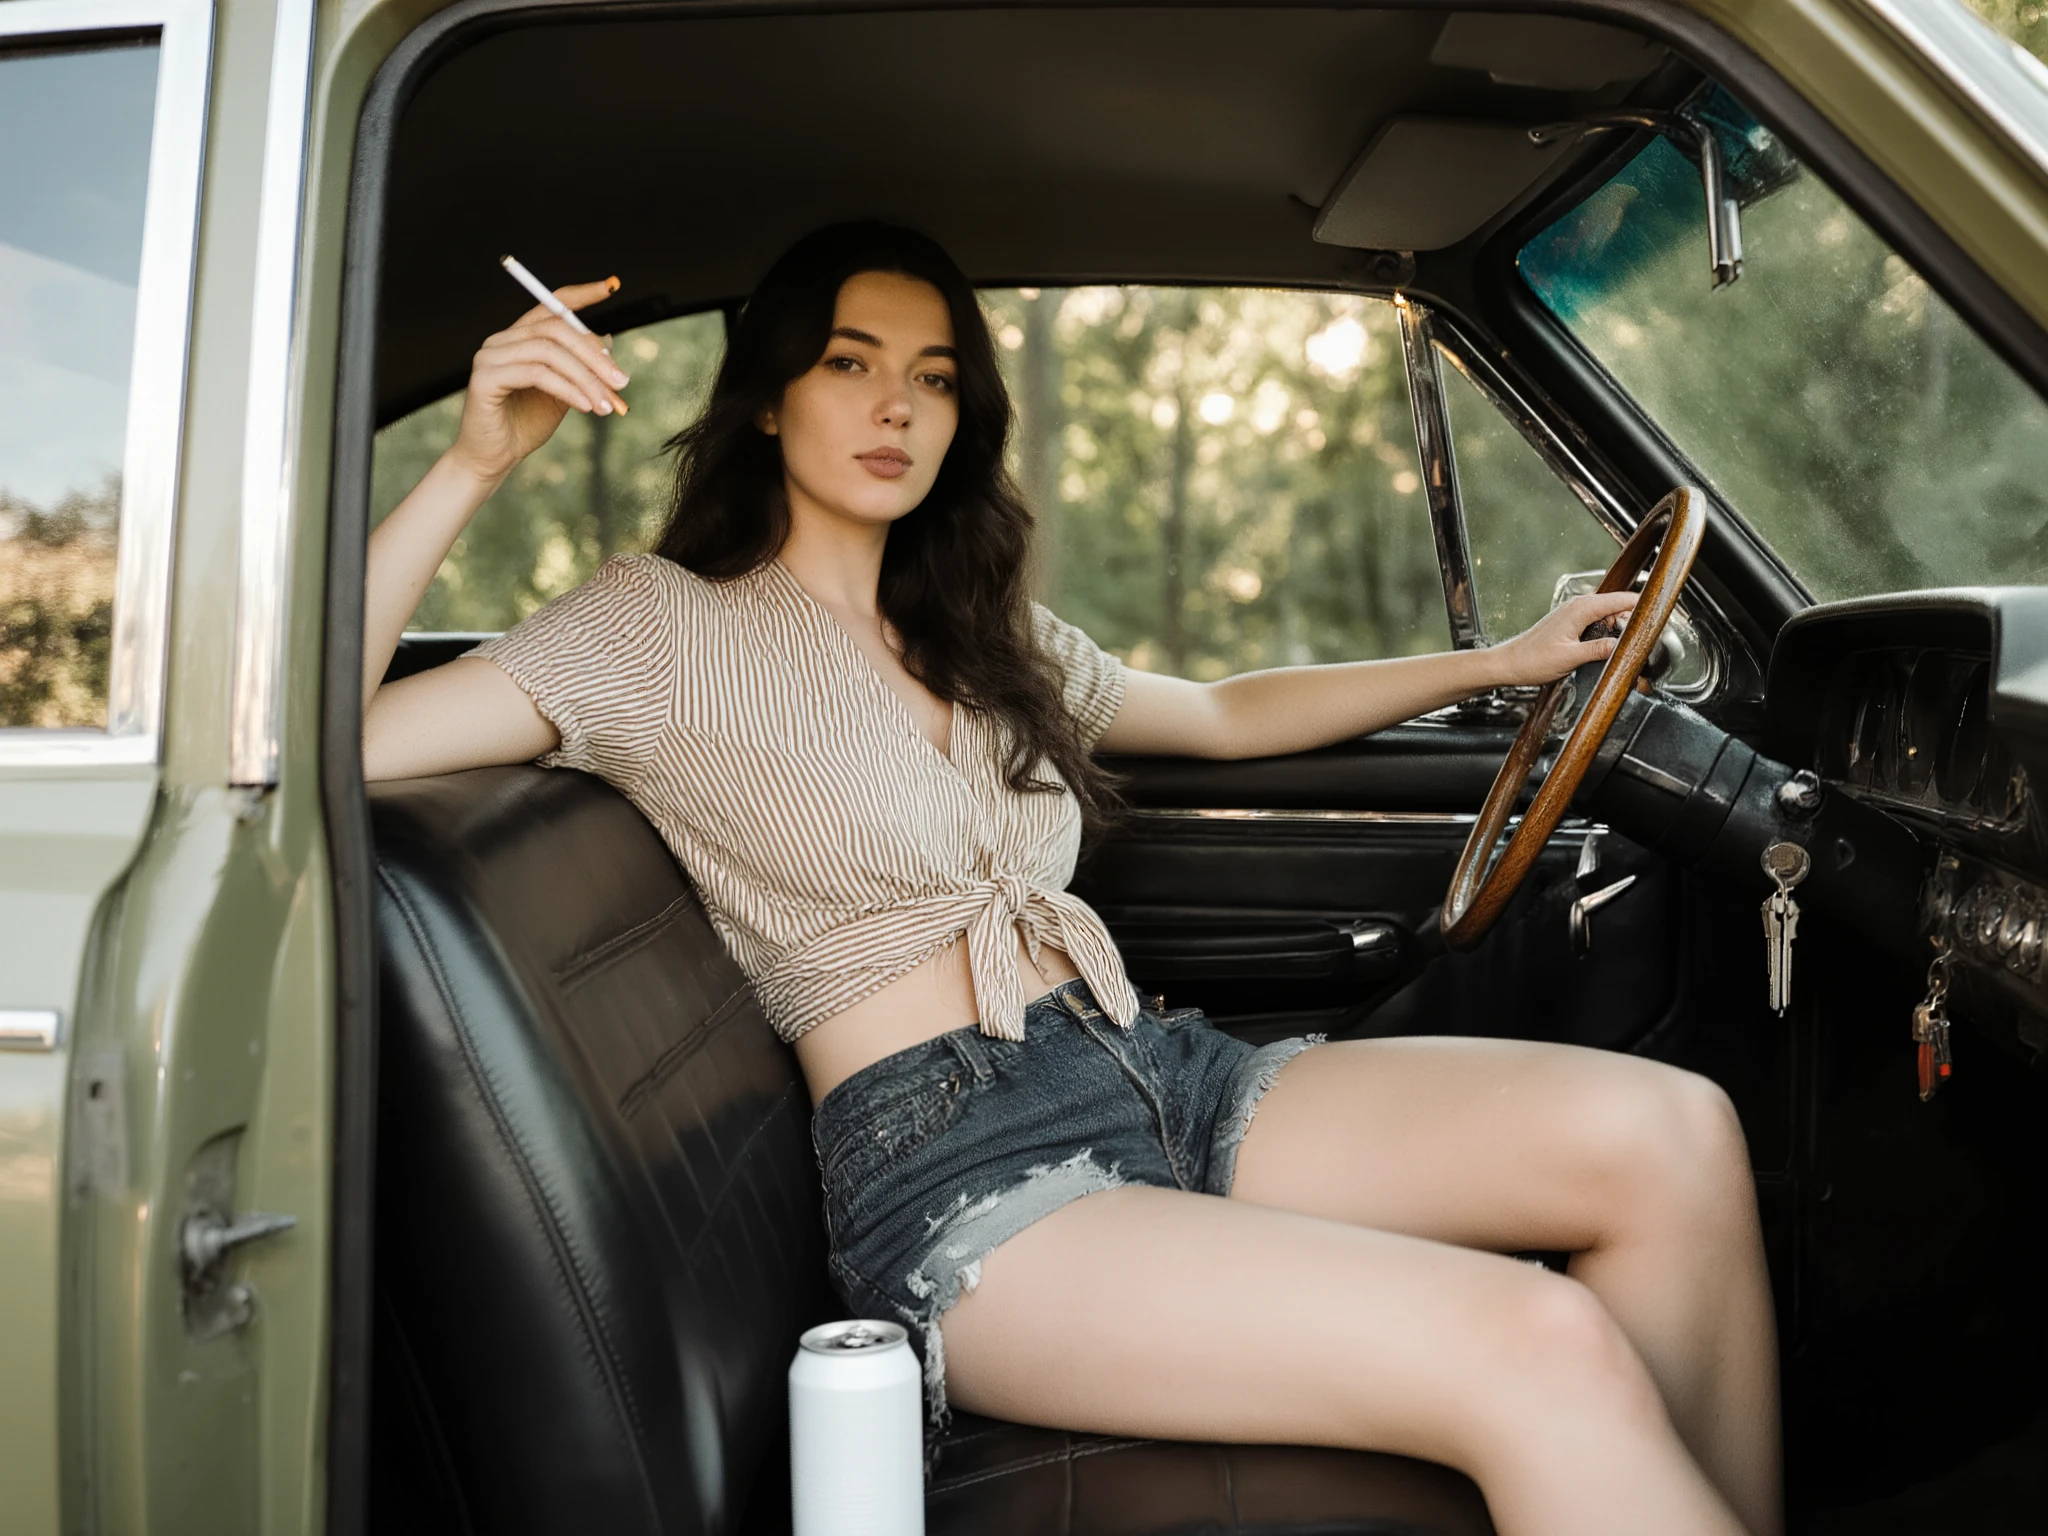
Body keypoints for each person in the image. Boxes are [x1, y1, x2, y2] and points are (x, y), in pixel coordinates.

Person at [363, 222, 1779, 1536]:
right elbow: (323, 746)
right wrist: (474, 465)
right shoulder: (653, 628)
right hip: (958, 1173)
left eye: (933, 378)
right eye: (850, 364)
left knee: (1674, 1137)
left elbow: (1220, 712)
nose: (896, 407)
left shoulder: (980, 631)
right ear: (771, 400)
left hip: (1158, 1071)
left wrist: (1500, 664)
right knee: (1539, 1339)